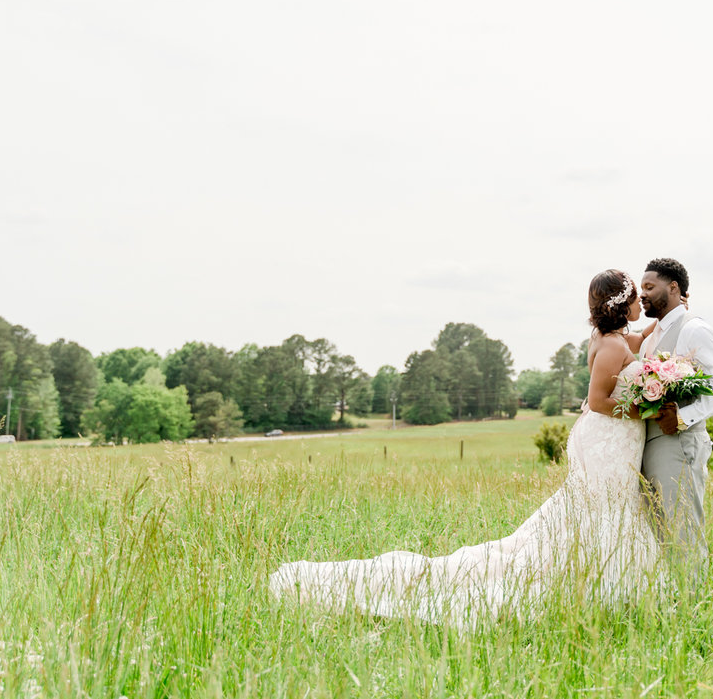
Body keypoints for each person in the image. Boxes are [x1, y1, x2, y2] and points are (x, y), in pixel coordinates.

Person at [268, 269, 665, 628]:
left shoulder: (608, 337)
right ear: (620, 302)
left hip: (602, 437)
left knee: (600, 507)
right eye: (635, 295)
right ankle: (604, 583)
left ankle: (606, 576)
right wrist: (644, 409)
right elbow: (598, 400)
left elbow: (637, 339)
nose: (640, 302)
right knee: (605, 506)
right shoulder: (613, 346)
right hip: (606, 435)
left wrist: (664, 327)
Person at [584, 258, 713, 579]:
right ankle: (669, 604)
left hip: (676, 444)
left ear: (674, 288)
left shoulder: (694, 329)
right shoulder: (646, 337)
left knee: (682, 531)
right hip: (643, 446)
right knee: (656, 534)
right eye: (641, 290)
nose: (644, 295)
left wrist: (682, 417)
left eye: (650, 287)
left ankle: (692, 608)